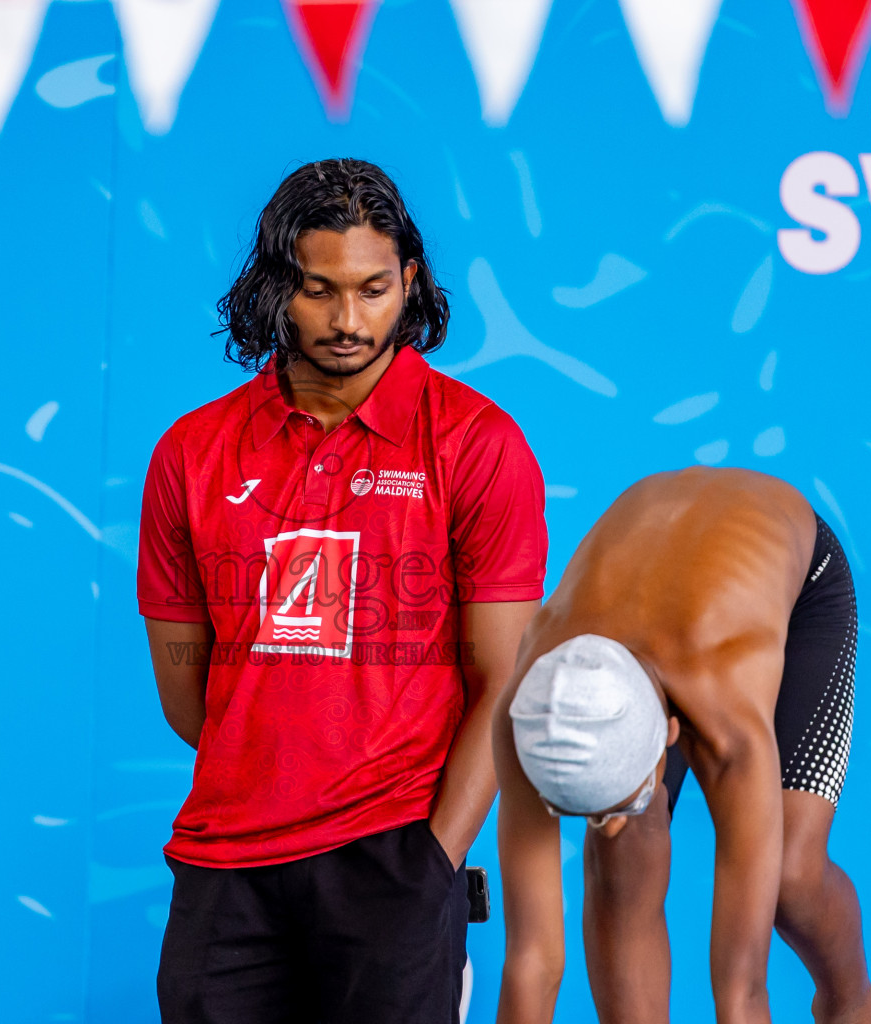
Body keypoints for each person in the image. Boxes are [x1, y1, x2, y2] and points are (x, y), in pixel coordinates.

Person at [138, 157, 546, 1023]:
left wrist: (432, 861)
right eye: (320, 291)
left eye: (371, 289)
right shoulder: (193, 452)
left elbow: (501, 683)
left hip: (392, 859)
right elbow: (187, 691)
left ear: (410, 282)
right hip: (224, 868)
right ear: (277, 288)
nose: (348, 321)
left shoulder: (476, 444)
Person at [492, 467, 871, 1024]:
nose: (614, 818)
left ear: (672, 733)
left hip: (793, 581)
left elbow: (742, 993)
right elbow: (531, 961)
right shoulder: (528, 715)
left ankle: (852, 1005)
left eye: (622, 799)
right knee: (621, 858)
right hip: (659, 569)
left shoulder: (731, 722)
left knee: (791, 880)